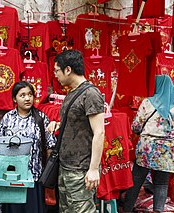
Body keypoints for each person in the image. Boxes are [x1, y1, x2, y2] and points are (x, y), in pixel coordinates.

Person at [47, 50, 105, 212]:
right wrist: (58, 124)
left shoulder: (91, 94)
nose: (55, 75)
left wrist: (93, 169)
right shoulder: (72, 92)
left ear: (68, 70)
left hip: (81, 169)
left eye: (57, 70)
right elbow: (77, 123)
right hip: (66, 166)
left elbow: (99, 132)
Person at [0, 81, 56, 213]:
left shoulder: (41, 118)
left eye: (30, 94)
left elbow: (50, 146)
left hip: (34, 176)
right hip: (11, 176)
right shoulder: (8, 118)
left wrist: (48, 172)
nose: (27, 98)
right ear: (14, 99)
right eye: (22, 95)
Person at [123, 75, 174, 212]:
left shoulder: (148, 103)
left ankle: (127, 209)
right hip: (167, 150)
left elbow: (136, 126)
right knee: (161, 183)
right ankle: (158, 210)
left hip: (147, 148)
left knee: (136, 180)